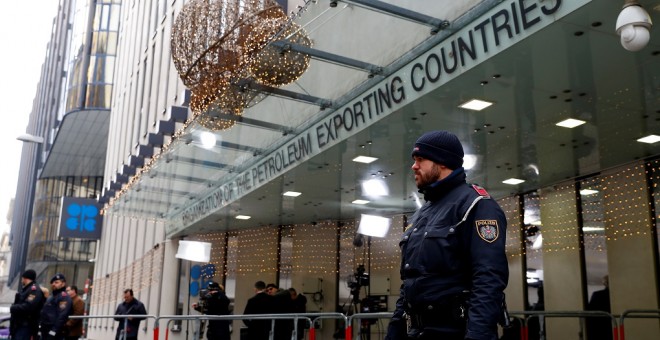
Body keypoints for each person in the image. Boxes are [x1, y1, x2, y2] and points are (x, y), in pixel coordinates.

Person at [385, 130, 509, 340]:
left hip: (455, 331)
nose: (414, 166)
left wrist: (478, 335)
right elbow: (410, 280)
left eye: (420, 159)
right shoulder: (422, 213)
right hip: (416, 332)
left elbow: (488, 279)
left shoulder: (476, 205)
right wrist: (395, 331)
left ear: (442, 161)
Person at [10, 269, 45, 340]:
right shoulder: (27, 289)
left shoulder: (34, 290)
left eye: (22, 278)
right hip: (20, 325)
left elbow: (28, 307)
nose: (21, 280)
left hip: (26, 327)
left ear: (25, 278)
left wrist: (13, 307)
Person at [40, 273, 73, 340]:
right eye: (52, 282)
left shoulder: (64, 297)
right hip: (45, 330)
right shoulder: (51, 297)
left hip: (55, 333)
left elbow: (62, 317)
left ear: (63, 284)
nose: (53, 284)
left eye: (56, 282)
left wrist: (53, 332)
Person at [586, 275, 612, 340]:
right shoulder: (618, 296)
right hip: (612, 326)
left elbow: (590, 312)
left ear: (605, 283)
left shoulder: (597, 295)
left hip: (598, 327)